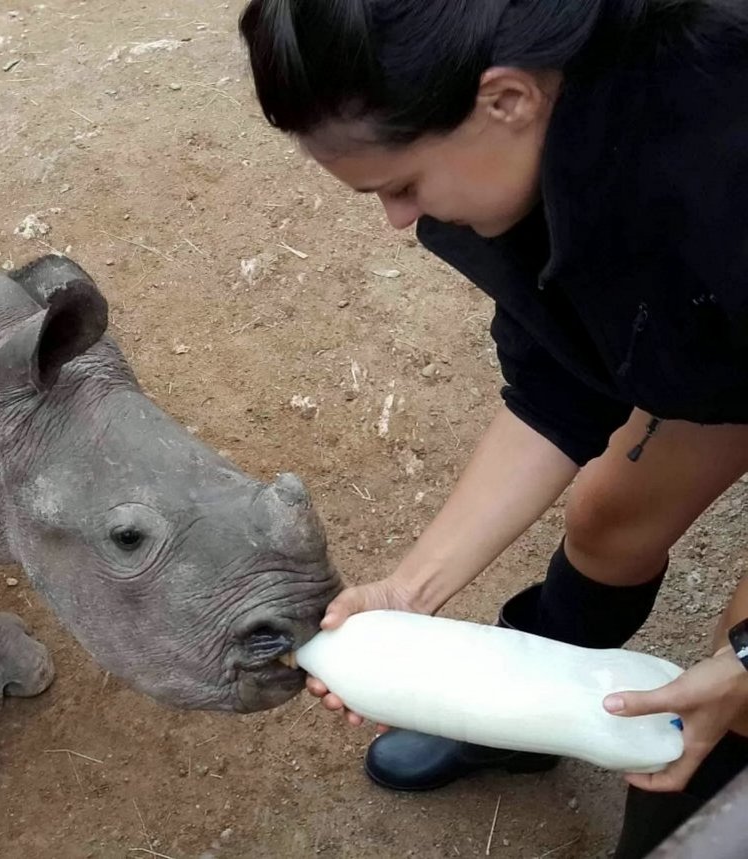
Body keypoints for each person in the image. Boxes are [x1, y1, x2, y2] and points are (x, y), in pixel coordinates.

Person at [237, 1, 748, 856]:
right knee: (608, 516)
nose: (398, 219)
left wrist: (747, 656)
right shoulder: (540, 145)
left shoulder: (720, 151)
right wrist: (412, 587)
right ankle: (523, 723)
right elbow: (559, 384)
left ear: (506, 98)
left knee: (732, 706)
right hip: (717, 312)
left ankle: (688, 815)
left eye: (402, 184)